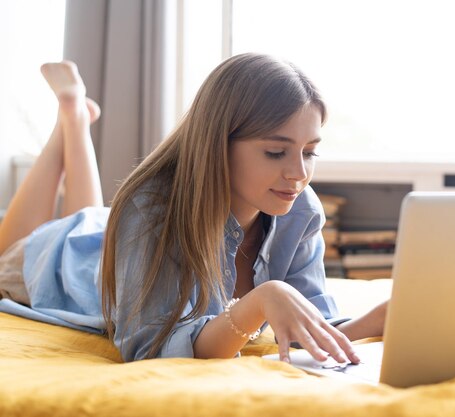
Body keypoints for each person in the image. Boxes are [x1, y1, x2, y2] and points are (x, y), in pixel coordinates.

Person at [0, 53, 387, 364]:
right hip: (67, 257)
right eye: (275, 152)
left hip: (112, 235)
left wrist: (382, 318)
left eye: (310, 151)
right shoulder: (153, 210)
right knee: (30, 241)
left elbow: (312, 326)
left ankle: (75, 116)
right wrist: (261, 299)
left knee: (89, 214)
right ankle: (70, 113)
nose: (298, 174)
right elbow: (149, 346)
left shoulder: (300, 212)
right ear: (219, 142)